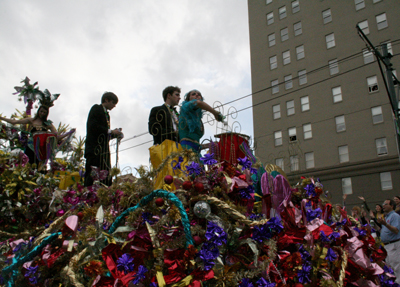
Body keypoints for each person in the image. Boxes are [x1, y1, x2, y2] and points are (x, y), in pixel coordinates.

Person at [0, 106, 72, 166]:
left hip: (41, 149)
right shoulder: (32, 120)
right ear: (38, 111)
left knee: (37, 166)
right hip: (30, 146)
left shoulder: (47, 124)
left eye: (44, 112)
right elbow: (14, 122)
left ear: (46, 114)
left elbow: (56, 136)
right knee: (27, 164)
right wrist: (1, 118)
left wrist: (68, 133)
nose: (42, 113)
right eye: (41, 111)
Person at [84, 92, 122, 187]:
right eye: (113, 103)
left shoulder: (107, 115)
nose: (114, 106)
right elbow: (93, 127)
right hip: (94, 149)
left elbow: (104, 134)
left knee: (105, 173)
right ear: (106, 100)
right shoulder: (96, 108)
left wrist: (115, 134)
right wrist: (111, 131)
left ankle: (104, 193)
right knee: (92, 174)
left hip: (103, 150)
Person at [178, 89, 224, 155]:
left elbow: (195, 143)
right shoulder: (185, 107)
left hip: (196, 153)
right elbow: (198, 103)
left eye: (199, 94)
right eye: (193, 94)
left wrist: (210, 145)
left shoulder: (198, 120)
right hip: (185, 151)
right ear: (188, 99)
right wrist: (215, 113)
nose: (196, 95)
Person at [377, 199, 400, 284]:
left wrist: (385, 224)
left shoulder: (395, 216)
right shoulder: (387, 217)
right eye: (383, 204)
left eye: (386, 204)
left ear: (392, 206)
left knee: (397, 268)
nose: (383, 205)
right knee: (390, 267)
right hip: (387, 246)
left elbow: (396, 230)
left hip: (394, 245)